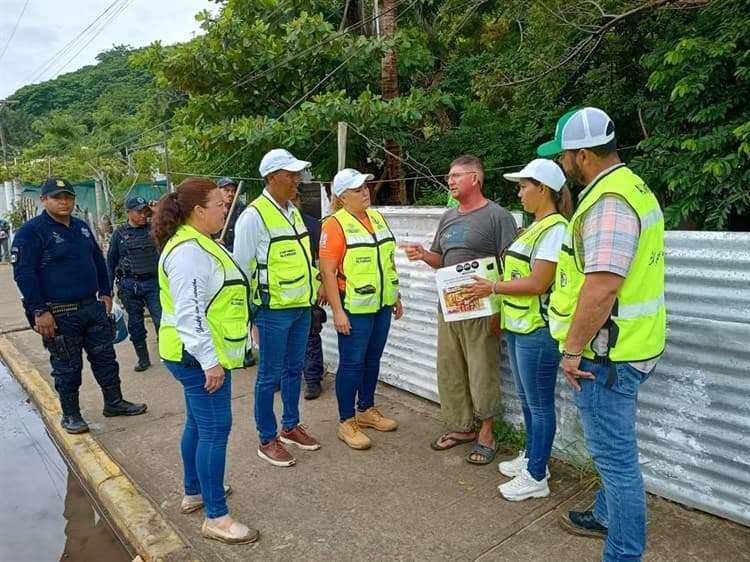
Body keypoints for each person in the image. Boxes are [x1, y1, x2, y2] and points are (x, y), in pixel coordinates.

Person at [538, 107, 666, 561]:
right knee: (617, 455)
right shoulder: (631, 186)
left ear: (584, 155)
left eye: (565, 156)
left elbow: (603, 284)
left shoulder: (608, 202)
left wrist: (573, 350)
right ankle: (606, 516)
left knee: (617, 464)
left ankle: (622, 553)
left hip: (605, 357)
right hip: (634, 344)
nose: (562, 164)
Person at [151, 177, 257, 545]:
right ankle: (217, 517)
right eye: (219, 204)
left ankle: (194, 491)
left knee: (198, 425)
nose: (225, 208)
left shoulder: (198, 243)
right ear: (198, 210)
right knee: (214, 430)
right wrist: (211, 362)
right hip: (196, 356)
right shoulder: (189, 252)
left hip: (191, 353)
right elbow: (190, 314)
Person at [461, 159, 572, 500]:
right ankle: (532, 457)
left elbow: (539, 283)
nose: (519, 193)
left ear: (544, 189)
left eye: (525, 186)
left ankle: (537, 475)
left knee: (539, 406)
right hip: (520, 326)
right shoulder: (535, 227)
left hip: (538, 331)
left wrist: (491, 290)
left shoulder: (555, 229)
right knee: (527, 402)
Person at [403, 155, 517, 464]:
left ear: (475, 179)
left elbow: (511, 268)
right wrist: (423, 255)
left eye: (457, 175)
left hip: (482, 310)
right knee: (450, 371)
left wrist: (500, 312)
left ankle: (487, 432)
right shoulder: (448, 217)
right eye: (449, 176)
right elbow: (441, 259)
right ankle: (462, 427)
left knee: (482, 371)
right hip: (449, 308)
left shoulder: (498, 217)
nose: (450, 181)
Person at [10, 177, 147, 435]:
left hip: (91, 308)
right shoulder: (32, 232)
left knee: (106, 359)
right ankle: (71, 415)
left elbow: (98, 260)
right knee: (68, 367)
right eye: (57, 197)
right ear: (43, 200)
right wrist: (39, 310)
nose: (64, 202)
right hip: (58, 313)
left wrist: (106, 293)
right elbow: (24, 274)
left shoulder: (81, 227)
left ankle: (114, 403)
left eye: (68, 197)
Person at [233, 148, 322, 467]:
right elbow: (241, 270)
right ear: (272, 178)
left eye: (297, 174)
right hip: (271, 311)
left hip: (300, 307)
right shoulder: (253, 217)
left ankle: (290, 426)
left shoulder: (292, 211)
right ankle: (266, 438)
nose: (297, 179)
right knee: (268, 376)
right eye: (291, 174)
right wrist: (249, 317)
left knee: (292, 369)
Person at [319, 168, 403, 449]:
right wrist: (338, 311)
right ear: (343, 197)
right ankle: (346, 421)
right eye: (357, 189)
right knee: (352, 364)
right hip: (353, 307)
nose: (365, 191)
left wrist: (396, 294)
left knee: (372, 359)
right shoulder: (334, 224)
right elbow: (328, 272)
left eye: (365, 186)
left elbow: (387, 259)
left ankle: (366, 409)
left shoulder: (377, 218)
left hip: (381, 304)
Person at [107, 196, 162, 371]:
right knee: (136, 325)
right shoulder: (120, 234)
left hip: (153, 283)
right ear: (129, 212)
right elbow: (111, 261)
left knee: (162, 320)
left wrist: (157, 213)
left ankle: (169, 354)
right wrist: (108, 289)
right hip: (130, 285)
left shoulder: (155, 228)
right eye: (139, 211)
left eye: (145, 211)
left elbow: (174, 227)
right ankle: (143, 358)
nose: (143, 215)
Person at [291, 192, 327, 400]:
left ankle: (313, 380)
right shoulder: (276, 225)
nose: (292, 204)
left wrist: (323, 283)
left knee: (311, 335)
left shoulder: (313, 225)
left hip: (310, 292)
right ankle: (284, 377)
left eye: (295, 199)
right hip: (284, 295)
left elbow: (324, 258)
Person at [214, 177, 245, 252]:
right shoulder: (210, 209)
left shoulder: (241, 211)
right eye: (226, 190)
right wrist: (213, 243)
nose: (231, 194)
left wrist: (225, 249)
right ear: (217, 191)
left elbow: (242, 240)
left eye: (233, 191)